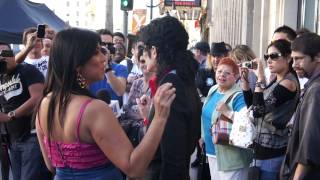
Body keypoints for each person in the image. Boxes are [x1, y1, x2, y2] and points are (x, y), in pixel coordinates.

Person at [35, 28, 176, 179]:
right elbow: (134, 169)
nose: (104, 57)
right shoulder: (94, 110)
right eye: (96, 52)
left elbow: (51, 165)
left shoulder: (45, 103)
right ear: (77, 64)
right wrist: (159, 118)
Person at [137, 15, 201, 180]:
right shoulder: (180, 77)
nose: (141, 56)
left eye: (144, 49)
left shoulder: (170, 85)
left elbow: (173, 157)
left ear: (154, 51)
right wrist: (148, 116)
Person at [241, 39, 299, 179]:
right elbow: (252, 106)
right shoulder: (276, 80)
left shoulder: (288, 83)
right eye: (267, 57)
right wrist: (245, 80)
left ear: (288, 58)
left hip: (273, 151)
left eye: (274, 56)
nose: (269, 60)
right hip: (260, 149)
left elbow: (258, 111)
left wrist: (260, 77)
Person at [0, 42, 50, 180]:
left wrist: (11, 116)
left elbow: (38, 98)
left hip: (32, 135)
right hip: (13, 139)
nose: (2, 58)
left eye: (5, 54)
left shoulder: (27, 70)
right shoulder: (2, 76)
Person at [200, 57, 252, 180]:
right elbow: (206, 115)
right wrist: (202, 136)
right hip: (212, 151)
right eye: (219, 71)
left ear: (235, 77)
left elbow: (248, 120)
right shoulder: (213, 89)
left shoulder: (238, 95)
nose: (222, 75)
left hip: (232, 156)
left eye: (227, 73)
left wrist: (227, 112)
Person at [280, 33, 320, 179]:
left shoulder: (315, 90)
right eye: (293, 59)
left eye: (299, 59)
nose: (294, 64)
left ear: (317, 57)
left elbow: (309, 143)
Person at [90, 29, 128, 107]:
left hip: (114, 115)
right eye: (103, 44)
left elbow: (120, 91)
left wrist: (106, 67)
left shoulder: (120, 68)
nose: (106, 47)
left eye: (110, 44)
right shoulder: (88, 68)